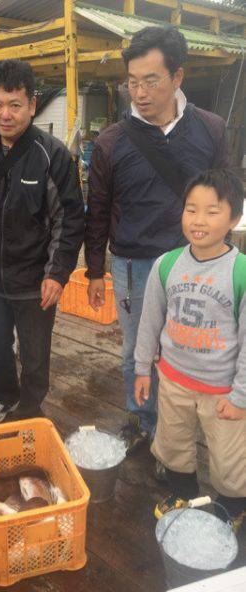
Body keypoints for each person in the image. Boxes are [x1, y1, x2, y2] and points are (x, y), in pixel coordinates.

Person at [84, 26, 229, 457]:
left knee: (193, 350)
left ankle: (182, 427)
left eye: (151, 80)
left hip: (198, 263)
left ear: (177, 78)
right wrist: (94, 270)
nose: (140, 93)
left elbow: (223, 192)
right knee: (137, 351)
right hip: (133, 266)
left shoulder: (210, 128)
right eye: (132, 82)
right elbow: (98, 209)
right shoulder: (111, 140)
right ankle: (144, 419)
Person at [0, 59, 84, 425]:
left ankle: (31, 407)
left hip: (34, 282)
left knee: (35, 353)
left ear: (32, 103)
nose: (5, 114)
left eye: (14, 104)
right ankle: (6, 398)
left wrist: (57, 274)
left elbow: (68, 217)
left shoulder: (52, 155)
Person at [134, 169, 246, 529]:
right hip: (173, 379)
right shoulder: (166, 264)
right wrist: (141, 369)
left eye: (212, 211)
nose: (199, 220)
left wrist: (241, 396)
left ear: (235, 218)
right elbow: (150, 321)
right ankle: (182, 492)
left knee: (230, 461)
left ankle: (230, 509)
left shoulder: (240, 271)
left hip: (223, 391)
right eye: (191, 209)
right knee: (174, 444)